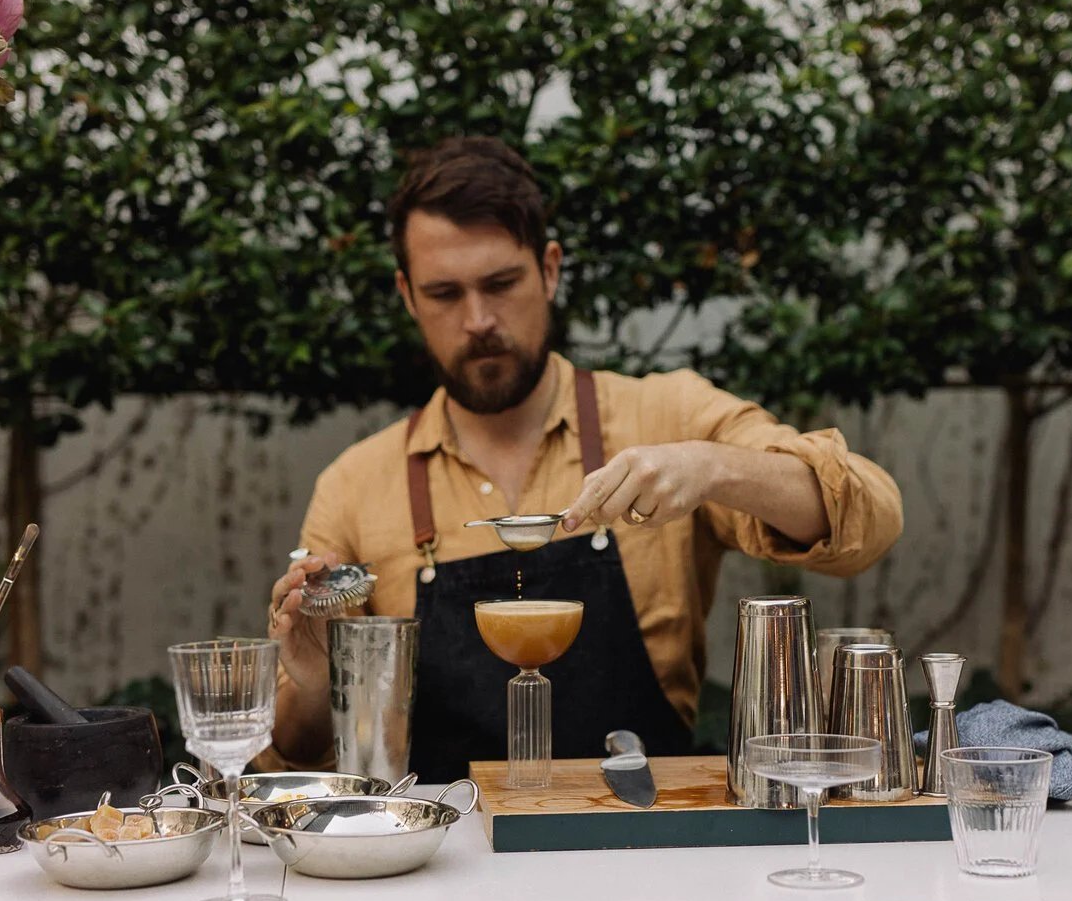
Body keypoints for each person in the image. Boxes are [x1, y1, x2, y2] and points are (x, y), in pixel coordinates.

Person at [259, 135, 903, 782]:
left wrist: (712, 467)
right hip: (445, 866)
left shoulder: (666, 417)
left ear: (550, 269)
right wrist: (314, 686)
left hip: (648, 846)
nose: (478, 319)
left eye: (501, 283)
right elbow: (304, 755)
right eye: (445, 294)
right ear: (406, 294)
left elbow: (868, 521)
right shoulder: (356, 486)